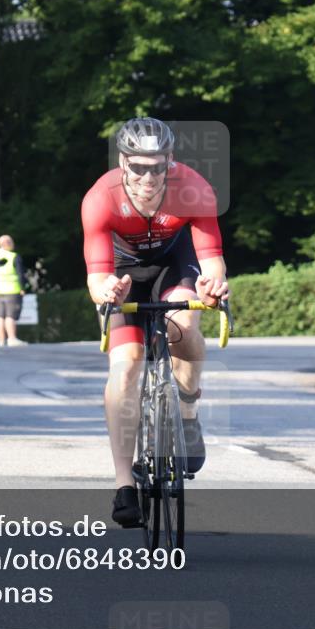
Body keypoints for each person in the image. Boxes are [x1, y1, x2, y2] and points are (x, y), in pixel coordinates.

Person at [81, 117, 229, 527]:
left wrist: (213, 286)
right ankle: (124, 484)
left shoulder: (195, 189)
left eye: (158, 167)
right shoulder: (100, 199)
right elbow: (96, 278)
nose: (148, 177)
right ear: (123, 162)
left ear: (170, 161)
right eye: (139, 167)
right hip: (122, 272)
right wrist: (107, 292)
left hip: (173, 264)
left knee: (186, 323)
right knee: (126, 365)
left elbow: (212, 260)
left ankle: (187, 411)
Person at [0, 234, 28, 347]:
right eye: (11, 242)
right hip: (12, 290)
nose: (13, 244)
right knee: (10, 316)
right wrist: (22, 288)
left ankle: (1, 340)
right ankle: (12, 338)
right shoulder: (13, 256)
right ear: (7, 244)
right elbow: (20, 274)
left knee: (0, 316)